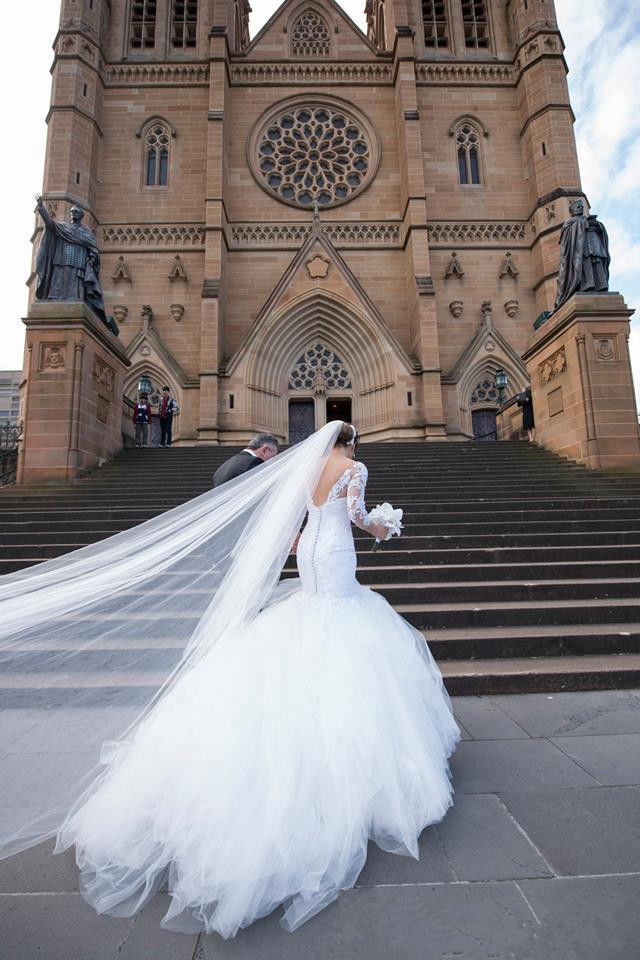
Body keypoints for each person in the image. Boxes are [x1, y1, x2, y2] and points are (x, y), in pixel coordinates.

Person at [0, 421, 459, 938]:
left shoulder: (306, 468)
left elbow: (298, 517)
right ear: (349, 443)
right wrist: (383, 527)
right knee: (344, 617)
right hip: (334, 553)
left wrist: (300, 537)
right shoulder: (354, 467)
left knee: (310, 611)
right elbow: (354, 515)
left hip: (308, 551)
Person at [212, 432, 278, 486]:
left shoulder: (224, 466)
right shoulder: (254, 463)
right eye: (273, 456)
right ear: (264, 450)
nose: (273, 460)